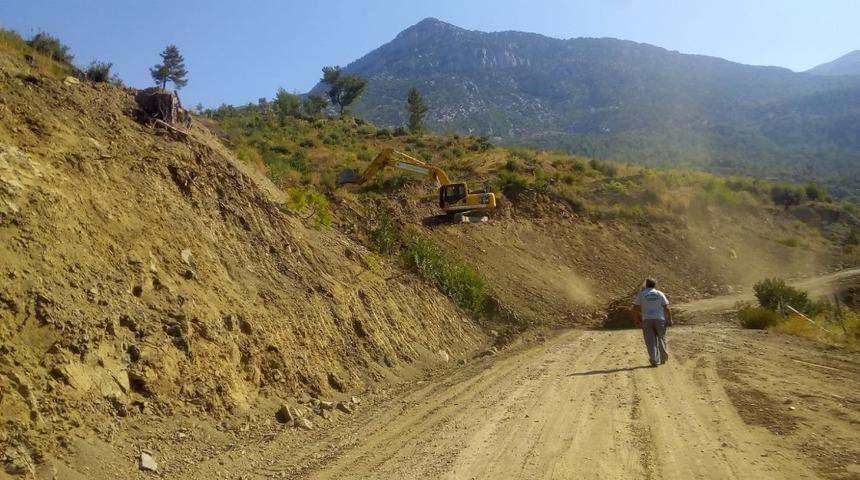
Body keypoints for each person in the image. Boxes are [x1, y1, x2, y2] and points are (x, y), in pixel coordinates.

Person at [632, 278, 672, 367]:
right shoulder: (660, 294)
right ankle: (663, 357)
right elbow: (667, 308)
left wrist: (636, 319)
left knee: (650, 341)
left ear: (646, 285)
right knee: (662, 338)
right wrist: (669, 319)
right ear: (655, 285)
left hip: (647, 320)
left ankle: (654, 359)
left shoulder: (641, 294)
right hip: (660, 319)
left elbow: (635, 308)